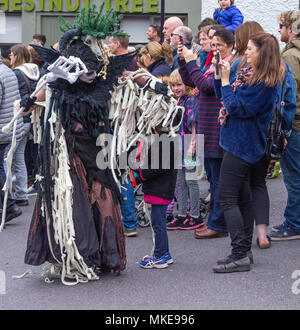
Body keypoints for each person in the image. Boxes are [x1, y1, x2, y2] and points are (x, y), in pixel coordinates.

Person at [213, 33, 285, 273]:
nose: (246, 53)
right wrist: (218, 75)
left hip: (243, 145)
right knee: (242, 198)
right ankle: (243, 250)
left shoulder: (265, 82)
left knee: (227, 198)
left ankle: (239, 254)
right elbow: (222, 97)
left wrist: (225, 82)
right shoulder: (250, 75)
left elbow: (235, 107)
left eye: (251, 50)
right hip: (240, 142)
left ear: (262, 53)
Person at [178, 28, 234, 239]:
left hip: (216, 128)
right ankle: (214, 221)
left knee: (218, 180)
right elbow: (192, 82)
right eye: (213, 43)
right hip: (206, 128)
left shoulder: (225, 65)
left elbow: (205, 85)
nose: (214, 47)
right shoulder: (212, 62)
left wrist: (192, 63)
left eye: (219, 44)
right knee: (212, 178)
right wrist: (184, 61)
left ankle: (218, 224)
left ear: (230, 46)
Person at [270, 10, 300, 241]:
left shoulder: (290, 56)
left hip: (296, 126)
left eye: (281, 25)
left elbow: (290, 97)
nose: (279, 29)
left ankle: (294, 224)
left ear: (291, 29)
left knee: (294, 179)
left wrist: (285, 129)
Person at [166, 70, 205, 230]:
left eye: (179, 84)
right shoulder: (179, 100)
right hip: (178, 145)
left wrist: (193, 146)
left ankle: (195, 216)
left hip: (189, 144)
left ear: (187, 85)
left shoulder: (191, 101)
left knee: (191, 181)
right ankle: (182, 214)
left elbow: (194, 124)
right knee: (180, 182)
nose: (176, 88)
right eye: (173, 85)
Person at [4, 44, 39, 207]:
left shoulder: (16, 73)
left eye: (11, 55)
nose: (10, 57)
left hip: (17, 119)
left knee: (7, 159)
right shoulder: (37, 71)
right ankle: (22, 195)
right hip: (31, 119)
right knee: (19, 159)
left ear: (17, 56)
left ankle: (8, 197)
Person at [137, 125, 177, 269]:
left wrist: (142, 172)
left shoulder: (163, 143)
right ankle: (164, 253)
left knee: (158, 224)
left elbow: (157, 167)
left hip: (160, 189)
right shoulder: (167, 141)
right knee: (159, 223)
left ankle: (159, 255)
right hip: (162, 188)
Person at [0, 58, 23, 224]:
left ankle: (8, 205)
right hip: (9, 125)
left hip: (3, 127)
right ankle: (8, 205)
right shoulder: (8, 71)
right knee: (2, 165)